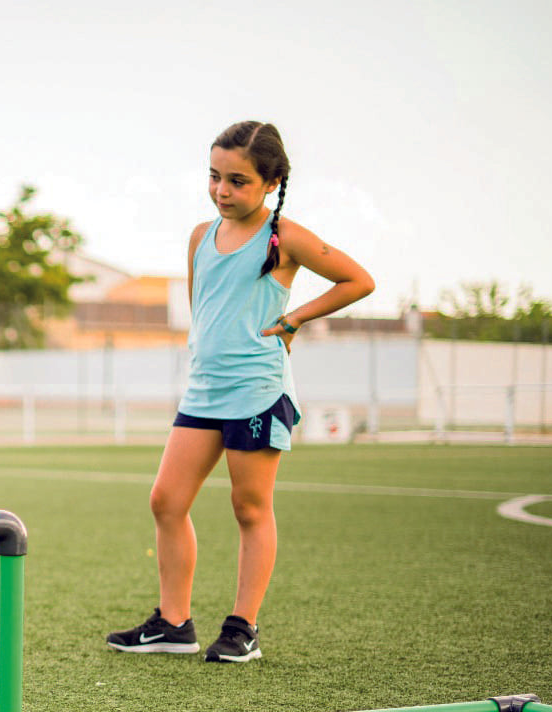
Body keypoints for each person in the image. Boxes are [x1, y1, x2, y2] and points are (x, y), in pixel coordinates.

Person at [107, 120, 374, 663]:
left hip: (257, 389)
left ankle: (242, 628)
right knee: (166, 500)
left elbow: (359, 280)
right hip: (204, 392)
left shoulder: (285, 238)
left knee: (250, 507)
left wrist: (295, 317)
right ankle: (174, 624)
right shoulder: (199, 237)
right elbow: (203, 308)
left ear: (271, 183)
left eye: (237, 181)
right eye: (214, 177)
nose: (222, 191)